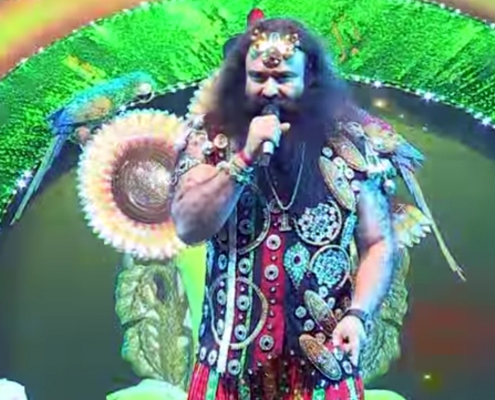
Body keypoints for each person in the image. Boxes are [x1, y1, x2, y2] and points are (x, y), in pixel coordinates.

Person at [171, 17, 461, 400]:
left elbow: (378, 243)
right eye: (258, 77)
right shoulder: (208, 138)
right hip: (229, 372)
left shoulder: (352, 143)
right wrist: (243, 160)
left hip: (324, 371)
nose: (269, 89)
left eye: (283, 78)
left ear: (309, 77)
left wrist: (358, 315)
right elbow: (189, 227)